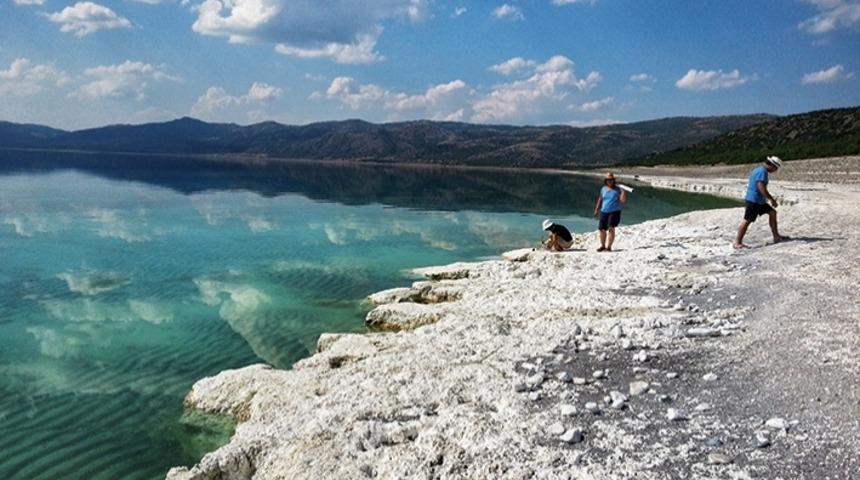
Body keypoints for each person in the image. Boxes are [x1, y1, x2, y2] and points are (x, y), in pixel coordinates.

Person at [734, 156, 787, 249]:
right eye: (776, 168)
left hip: (759, 200)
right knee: (747, 220)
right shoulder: (762, 172)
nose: (775, 170)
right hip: (754, 200)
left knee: (772, 213)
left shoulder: (759, 170)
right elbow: (761, 187)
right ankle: (737, 243)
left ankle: (776, 236)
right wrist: (771, 199)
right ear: (771, 165)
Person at [593, 172, 627, 252]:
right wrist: (596, 209)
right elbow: (600, 199)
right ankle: (603, 246)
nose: (609, 181)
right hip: (604, 211)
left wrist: (623, 192)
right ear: (605, 181)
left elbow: (623, 201)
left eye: (611, 180)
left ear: (613, 180)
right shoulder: (603, 189)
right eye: (608, 180)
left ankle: (609, 247)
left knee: (611, 228)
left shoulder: (618, 189)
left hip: (614, 212)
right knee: (602, 229)